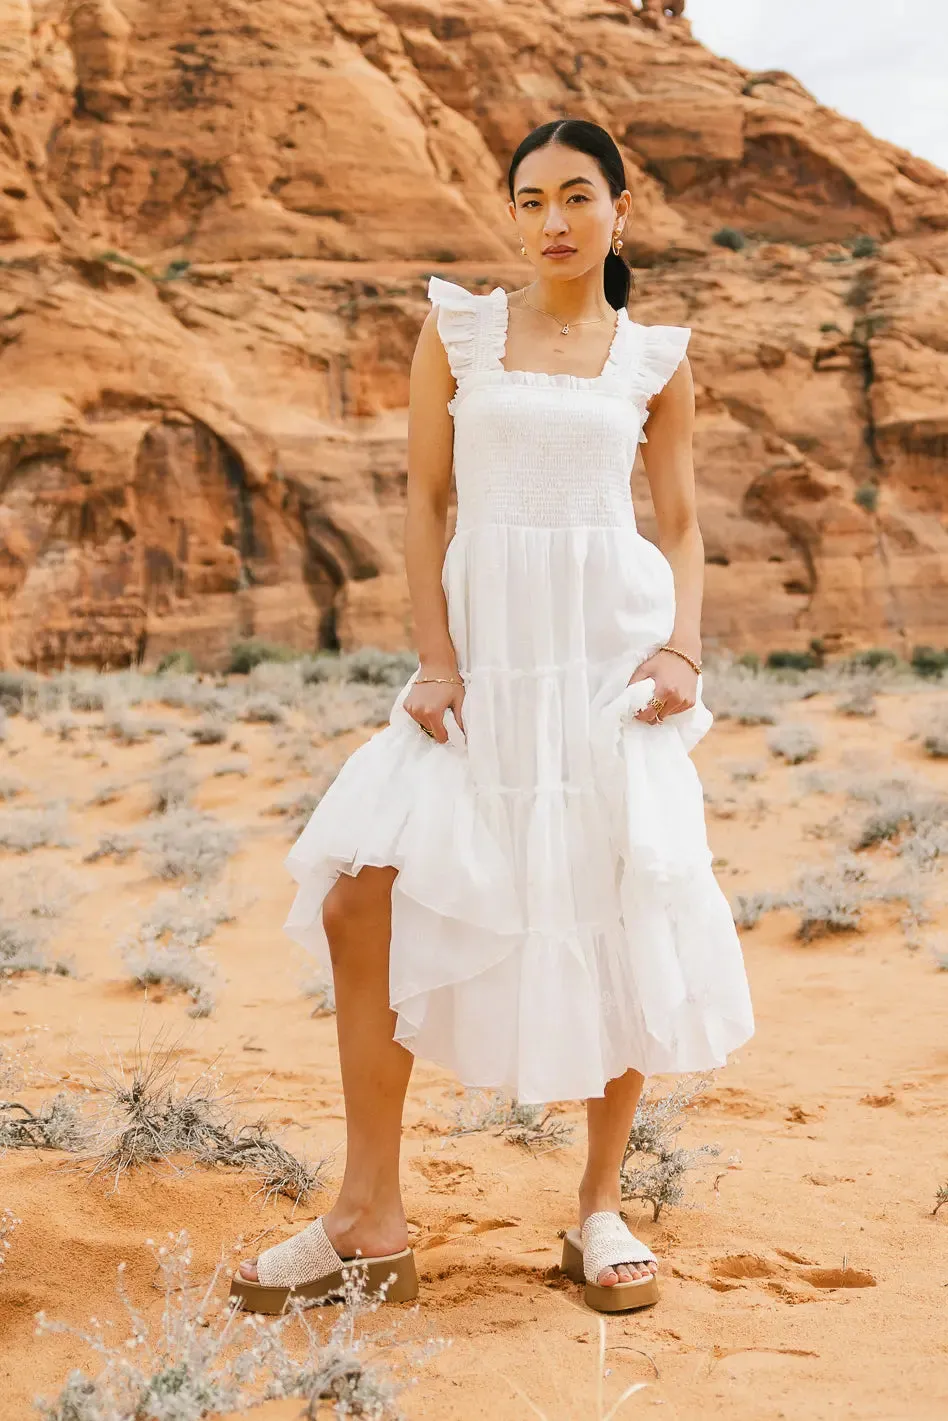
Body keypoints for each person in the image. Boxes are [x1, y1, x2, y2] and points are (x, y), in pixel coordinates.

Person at [229, 118, 754, 1318]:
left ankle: (598, 1206)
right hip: (480, 664)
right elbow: (423, 498)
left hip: (607, 662)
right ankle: (369, 1211)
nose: (553, 220)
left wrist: (682, 646)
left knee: (619, 898)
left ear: (625, 208)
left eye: (577, 196)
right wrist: (434, 658)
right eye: (530, 201)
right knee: (368, 887)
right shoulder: (460, 327)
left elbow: (677, 523)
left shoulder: (652, 357)